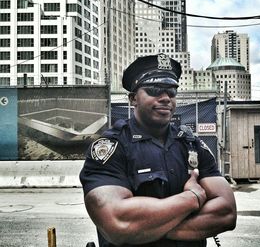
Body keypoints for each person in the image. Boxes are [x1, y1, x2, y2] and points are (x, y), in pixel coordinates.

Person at [80, 53, 237, 247]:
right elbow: (118, 221)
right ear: (133, 99)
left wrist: (149, 229)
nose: (165, 98)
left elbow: (226, 213)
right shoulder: (112, 147)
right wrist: (192, 198)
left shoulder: (191, 145)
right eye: (154, 90)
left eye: (171, 91)